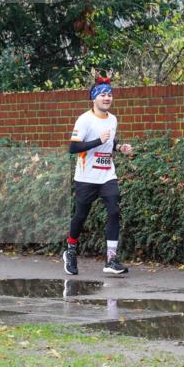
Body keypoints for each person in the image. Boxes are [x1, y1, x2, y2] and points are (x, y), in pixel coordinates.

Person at [62, 74, 133, 276]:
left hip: (107, 175)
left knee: (114, 211)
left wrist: (120, 147)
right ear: (94, 98)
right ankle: (70, 250)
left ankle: (111, 259)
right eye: (103, 95)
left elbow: (110, 142)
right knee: (81, 215)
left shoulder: (113, 119)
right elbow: (73, 148)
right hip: (86, 177)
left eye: (109, 95)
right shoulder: (84, 120)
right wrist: (97, 142)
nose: (107, 98)